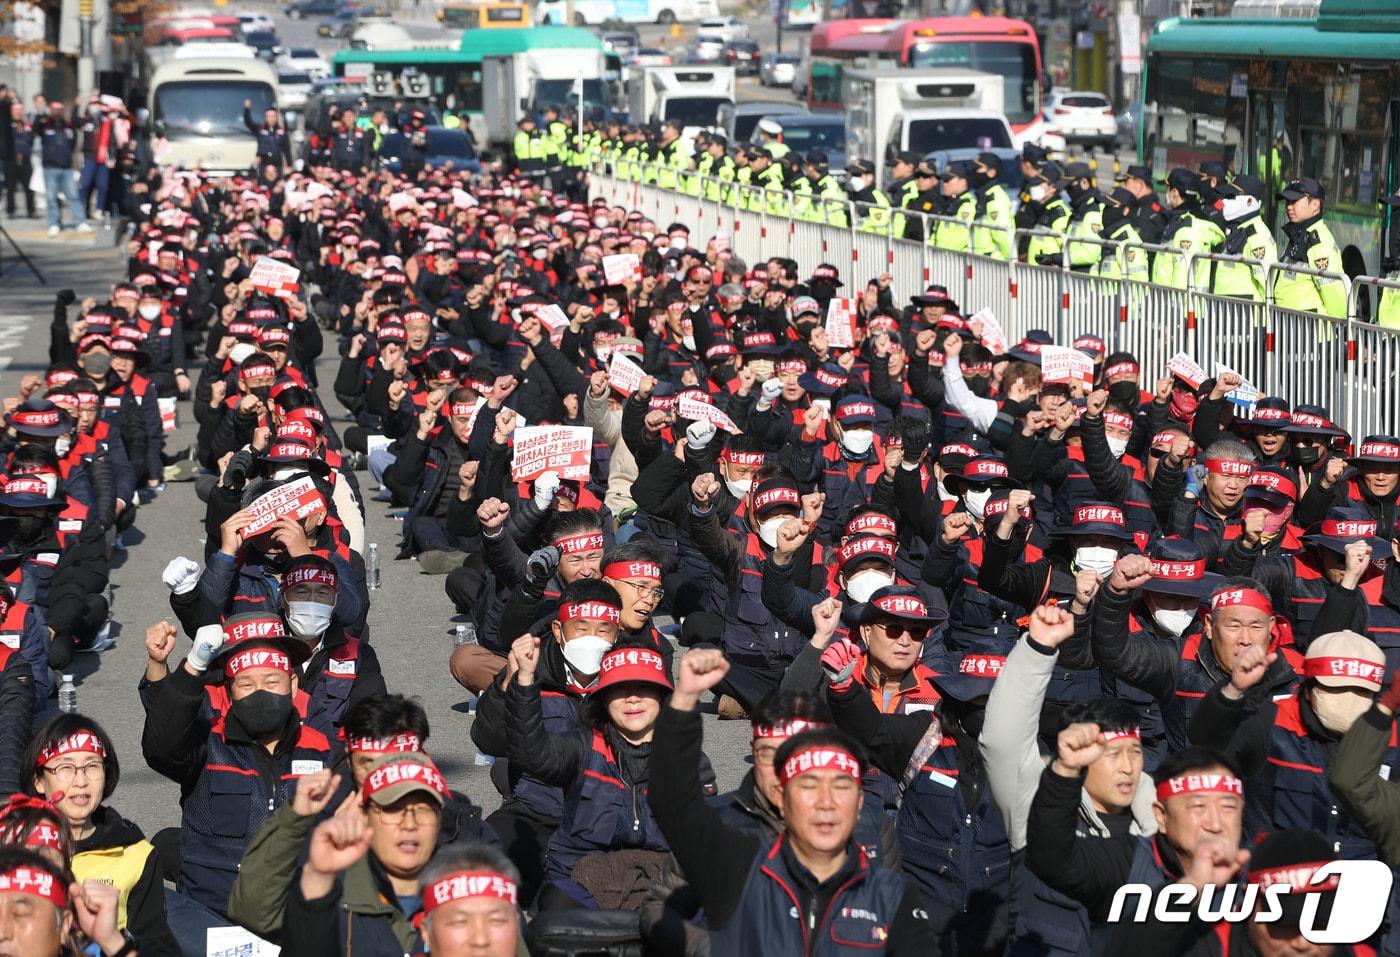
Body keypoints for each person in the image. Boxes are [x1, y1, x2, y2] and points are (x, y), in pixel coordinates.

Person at [648, 647, 939, 955]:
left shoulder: (876, 847)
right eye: (770, 755)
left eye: (798, 758)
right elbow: (672, 804)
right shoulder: (731, 843)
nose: (781, 772)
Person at [504, 633, 708, 910]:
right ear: (603, 698)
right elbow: (530, 754)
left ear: (663, 696)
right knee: (554, 921)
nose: (633, 698)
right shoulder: (582, 746)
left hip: (663, 879)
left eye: (644, 687)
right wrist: (525, 681)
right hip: (580, 875)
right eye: (620, 688)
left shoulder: (689, 759)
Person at [22, 714, 178, 955]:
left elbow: (159, 948)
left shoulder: (136, 855)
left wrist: (113, 941)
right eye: (65, 767)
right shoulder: (12, 848)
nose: (81, 781)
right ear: (39, 780)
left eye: (92, 766)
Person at [279, 752, 453, 955]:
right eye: (393, 810)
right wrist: (316, 880)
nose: (409, 824)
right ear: (365, 816)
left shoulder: (468, 899)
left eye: (423, 809)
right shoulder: (328, 891)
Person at [1273, 177, 1346, 319]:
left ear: (1315, 205)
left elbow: (1335, 296)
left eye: (1294, 201)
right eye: (1287, 201)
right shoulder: (1300, 236)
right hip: (1294, 330)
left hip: (1311, 334)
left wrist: (1334, 328)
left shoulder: (1318, 242)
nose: (1288, 206)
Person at [33, 99, 89, 236]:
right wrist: (40, 114)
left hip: (66, 168)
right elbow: (35, 129)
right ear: (51, 111)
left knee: (73, 196)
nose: (57, 112)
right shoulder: (45, 125)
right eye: (54, 109)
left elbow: (74, 143)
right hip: (50, 167)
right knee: (51, 197)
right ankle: (54, 223)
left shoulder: (68, 127)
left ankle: (80, 222)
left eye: (59, 109)